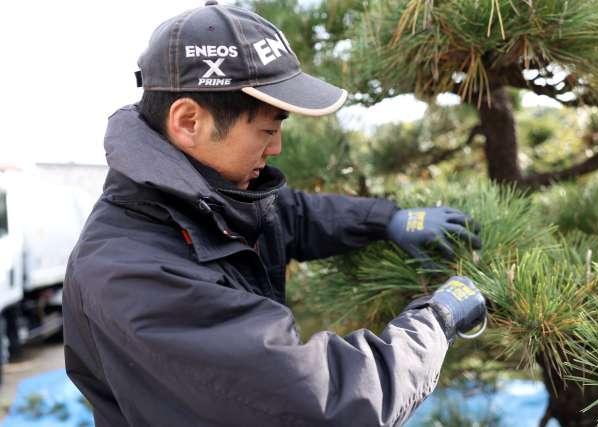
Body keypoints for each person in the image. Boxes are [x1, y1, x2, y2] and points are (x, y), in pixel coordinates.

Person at [63, 2, 487, 426]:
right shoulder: (129, 275)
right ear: (189, 121)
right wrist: (436, 320)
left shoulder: (211, 199)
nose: (277, 147)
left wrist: (390, 220)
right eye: (267, 129)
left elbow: (293, 213)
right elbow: (322, 403)